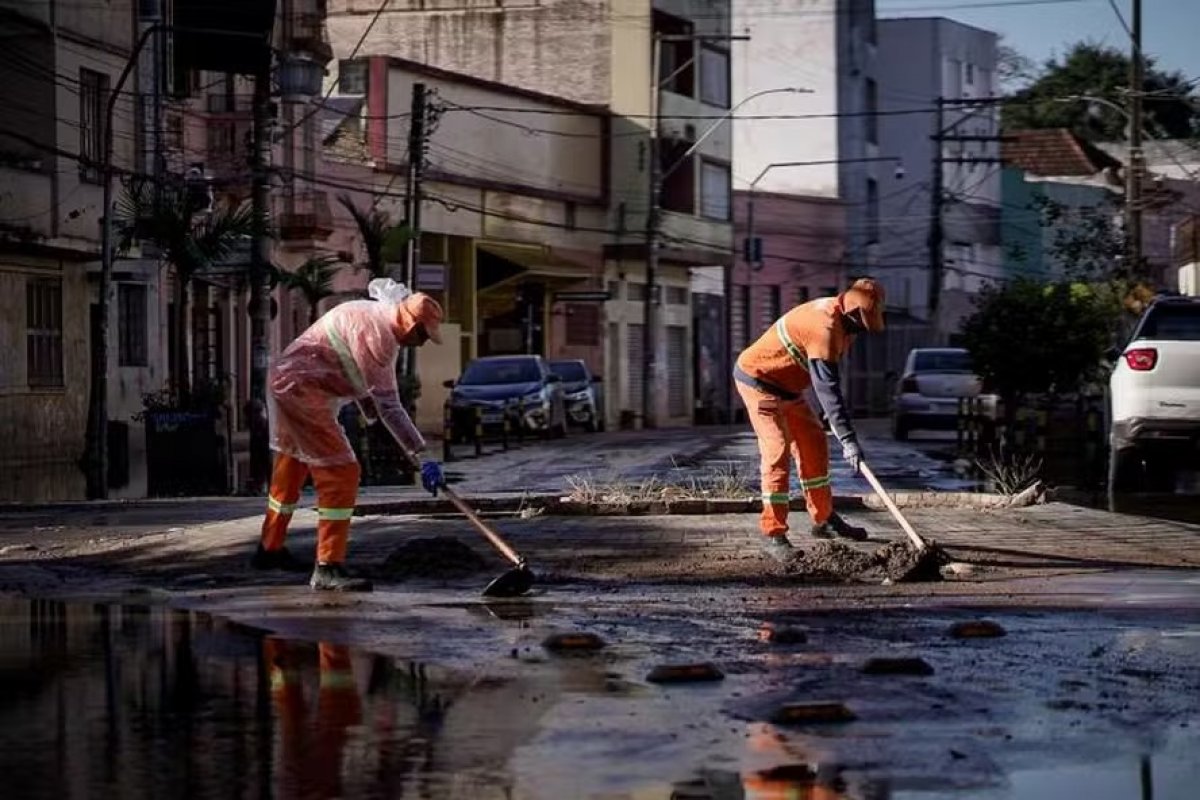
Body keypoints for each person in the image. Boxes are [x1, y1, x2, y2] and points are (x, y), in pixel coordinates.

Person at [252, 278, 447, 591]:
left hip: (292, 384)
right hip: (301, 390)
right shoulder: (379, 333)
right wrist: (422, 455)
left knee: (292, 466)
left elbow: (363, 383)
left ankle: (270, 549)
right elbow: (389, 406)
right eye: (423, 334)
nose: (423, 342)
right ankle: (328, 566)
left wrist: (381, 422)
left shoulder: (377, 319)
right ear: (410, 324)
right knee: (341, 471)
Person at [733, 278, 886, 562]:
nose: (862, 332)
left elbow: (824, 380)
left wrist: (831, 422)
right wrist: (849, 440)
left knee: (814, 442)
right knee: (777, 451)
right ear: (853, 314)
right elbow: (827, 388)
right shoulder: (825, 325)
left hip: (789, 388)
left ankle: (824, 519)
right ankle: (773, 534)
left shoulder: (845, 327)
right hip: (759, 381)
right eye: (862, 324)